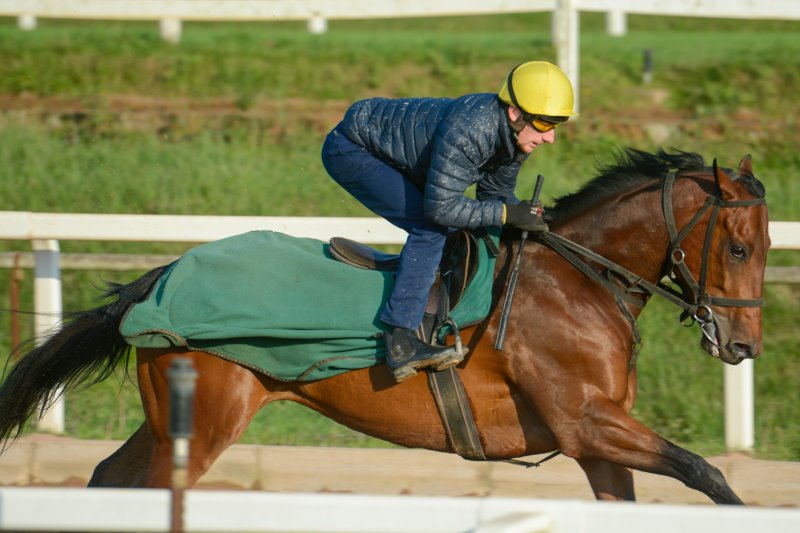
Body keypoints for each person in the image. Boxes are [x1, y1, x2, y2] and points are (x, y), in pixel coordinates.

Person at [321, 61, 577, 382]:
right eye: (544, 124)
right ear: (515, 112)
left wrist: (531, 216)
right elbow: (442, 209)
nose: (550, 137)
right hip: (353, 149)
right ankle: (401, 341)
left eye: (556, 126)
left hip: (395, 154)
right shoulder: (473, 129)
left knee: (465, 228)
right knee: (431, 228)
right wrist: (508, 214)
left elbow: (495, 193)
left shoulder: (515, 136)